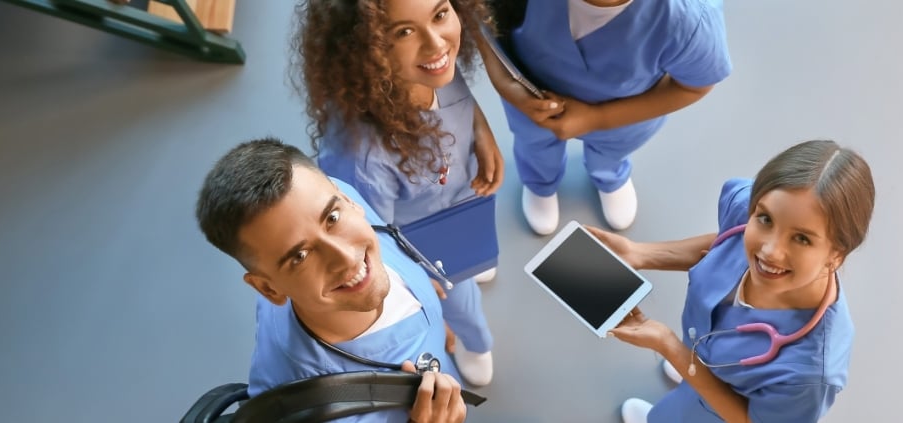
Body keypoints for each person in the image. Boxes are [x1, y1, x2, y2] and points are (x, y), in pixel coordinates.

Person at [588, 140, 876, 423]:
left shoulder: (810, 374)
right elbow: (728, 239)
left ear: (837, 254)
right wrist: (639, 254)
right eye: (765, 219)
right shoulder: (746, 204)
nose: (769, 251)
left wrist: (671, 348)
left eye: (801, 238)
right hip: (701, 348)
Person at [293, 0, 499, 385]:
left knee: (477, 252)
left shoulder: (436, 69)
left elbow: (462, 98)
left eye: (440, 14)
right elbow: (372, 236)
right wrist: (417, 276)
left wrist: (483, 133)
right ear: (365, 51)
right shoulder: (362, 158)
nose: (436, 43)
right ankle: (476, 341)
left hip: (462, 200)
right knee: (462, 301)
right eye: (403, 32)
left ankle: (475, 257)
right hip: (422, 242)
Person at [195, 138, 474, 422]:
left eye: (332, 218)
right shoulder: (311, 410)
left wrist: (430, 315)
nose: (345, 258)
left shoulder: (335, 200)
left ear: (349, 199)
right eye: (300, 256)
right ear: (268, 288)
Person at [482, 0, 733, 235]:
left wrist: (598, 118)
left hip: (622, 113)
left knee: (611, 151)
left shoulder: (688, 20)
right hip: (532, 93)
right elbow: (478, 16)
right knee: (535, 145)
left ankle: (609, 175)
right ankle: (539, 182)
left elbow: (695, 85)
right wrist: (506, 84)